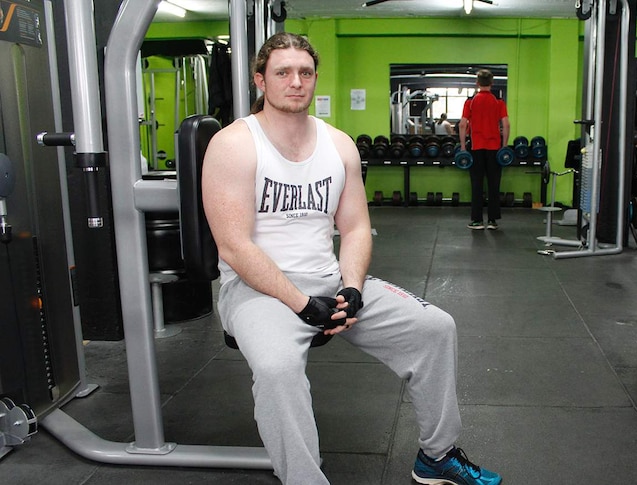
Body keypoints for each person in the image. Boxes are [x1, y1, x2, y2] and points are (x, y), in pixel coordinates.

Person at [201, 32, 502, 485]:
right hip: (258, 289)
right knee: (278, 368)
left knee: (436, 328)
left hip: (327, 280)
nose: (295, 82)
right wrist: (302, 304)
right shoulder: (233, 144)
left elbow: (357, 227)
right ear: (261, 80)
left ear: (315, 79)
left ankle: (437, 456)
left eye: (305, 72)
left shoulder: (339, 144)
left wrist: (353, 288)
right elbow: (234, 248)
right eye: (282, 72)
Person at [459, 69, 510, 230]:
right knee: (494, 184)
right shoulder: (499, 102)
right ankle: (493, 221)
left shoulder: (470, 102)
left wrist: (462, 147)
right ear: (492, 83)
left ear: (477, 83)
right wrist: (504, 146)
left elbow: (462, 125)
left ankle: (477, 221)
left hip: (476, 147)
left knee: (477, 184)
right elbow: (506, 124)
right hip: (495, 149)